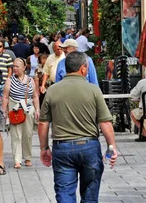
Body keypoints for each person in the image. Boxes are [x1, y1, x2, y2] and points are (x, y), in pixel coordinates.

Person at [39, 51, 118, 202]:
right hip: (89, 147)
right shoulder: (93, 90)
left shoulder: (52, 90)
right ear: (83, 69)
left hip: (62, 148)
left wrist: (44, 148)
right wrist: (111, 147)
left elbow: (43, 123)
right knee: (90, 195)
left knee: (64, 194)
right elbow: (105, 122)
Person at [3, 58, 40, 169]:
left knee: (27, 134)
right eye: (13, 66)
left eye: (17, 66)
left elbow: (35, 96)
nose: (14, 68)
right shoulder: (10, 80)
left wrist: (37, 110)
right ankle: (17, 159)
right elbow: (5, 97)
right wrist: (4, 111)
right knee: (16, 135)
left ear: (24, 68)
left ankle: (27, 157)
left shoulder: (30, 80)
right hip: (14, 109)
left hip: (28, 109)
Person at [0, 38, 14, 175]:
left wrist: (7, 82)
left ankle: (1, 162)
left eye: (0, 46)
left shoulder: (7, 56)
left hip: (2, 84)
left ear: (3, 48)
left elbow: (9, 70)